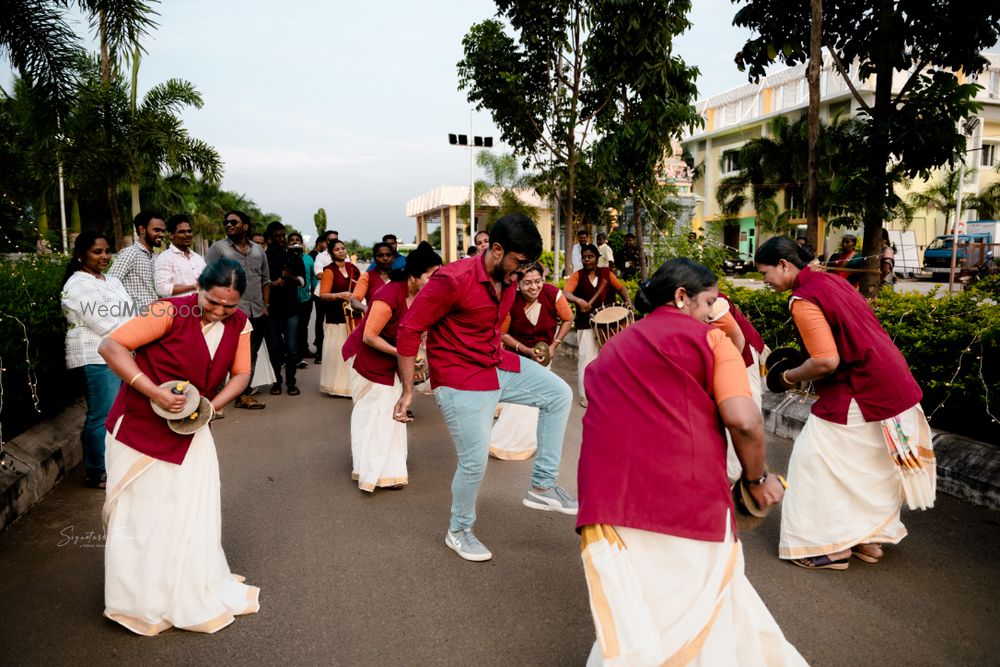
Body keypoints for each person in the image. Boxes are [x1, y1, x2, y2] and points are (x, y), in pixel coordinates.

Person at [576, 258, 804, 666]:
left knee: (640, 606)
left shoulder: (612, 349)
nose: (714, 313)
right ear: (682, 297)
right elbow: (746, 421)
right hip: (688, 499)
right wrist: (756, 479)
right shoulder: (711, 341)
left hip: (609, 502)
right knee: (704, 605)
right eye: (710, 303)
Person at [394, 214, 576, 562]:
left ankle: (542, 485)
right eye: (518, 264)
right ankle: (459, 531)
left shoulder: (508, 280)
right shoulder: (452, 280)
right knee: (475, 462)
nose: (521, 275)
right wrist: (407, 390)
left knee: (559, 394)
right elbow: (409, 329)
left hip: (496, 364)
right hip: (460, 378)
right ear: (495, 250)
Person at [97, 258, 260, 635]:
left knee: (187, 513)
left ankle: (182, 587)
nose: (219, 312)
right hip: (138, 429)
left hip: (190, 432)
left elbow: (242, 373)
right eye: (213, 302)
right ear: (198, 288)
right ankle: (137, 602)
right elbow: (111, 346)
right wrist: (153, 391)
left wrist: (208, 408)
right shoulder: (167, 309)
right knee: (143, 516)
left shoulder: (239, 324)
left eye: (229, 306)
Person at [755, 236, 934, 570]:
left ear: (783, 265)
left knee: (813, 463)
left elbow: (825, 361)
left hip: (860, 387)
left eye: (765, 272)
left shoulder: (802, 297)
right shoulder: (830, 280)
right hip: (891, 379)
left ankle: (827, 548)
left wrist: (788, 377)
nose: (764, 281)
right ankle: (867, 538)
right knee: (869, 464)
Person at [341, 242, 442, 492]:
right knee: (376, 412)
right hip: (368, 358)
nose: (436, 281)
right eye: (432, 276)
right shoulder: (388, 296)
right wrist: (403, 353)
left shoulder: (424, 296)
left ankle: (391, 470)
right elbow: (369, 336)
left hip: (393, 360)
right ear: (414, 275)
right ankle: (370, 470)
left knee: (392, 410)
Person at [60, 231, 133, 490]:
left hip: (121, 353)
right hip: (96, 355)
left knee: (119, 413)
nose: (104, 256)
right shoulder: (77, 284)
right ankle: (97, 471)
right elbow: (103, 324)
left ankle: (113, 465)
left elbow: (131, 312)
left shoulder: (111, 280)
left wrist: (131, 328)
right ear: (81, 255)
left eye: (107, 251)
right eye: (97, 252)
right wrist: (133, 330)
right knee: (102, 414)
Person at [488, 262, 573, 460]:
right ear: (518, 284)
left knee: (537, 402)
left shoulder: (553, 294)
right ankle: (506, 444)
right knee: (519, 404)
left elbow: (567, 319)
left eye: (537, 281)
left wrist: (553, 346)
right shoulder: (510, 300)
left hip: (544, 356)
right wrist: (525, 350)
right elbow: (502, 332)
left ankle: (526, 443)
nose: (533, 287)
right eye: (527, 283)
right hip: (517, 357)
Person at [205, 210, 270, 410]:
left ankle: (243, 395)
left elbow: (265, 280)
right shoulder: (219, 249)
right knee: (221, 354)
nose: (229, 225)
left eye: (234, 222)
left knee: (250, 356)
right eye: (226, 222)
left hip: (256, 312)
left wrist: (265, 306)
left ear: (245, 226)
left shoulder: (258, 251)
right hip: (230, 313)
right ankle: (214, 401)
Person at [709, 292, 770, 481]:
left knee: (743, 409)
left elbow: (738, 338)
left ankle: (737, 475)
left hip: (741, 357)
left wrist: (728, 369)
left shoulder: (713, 302)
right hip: (729, 354)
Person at [564, 243, 632, 407]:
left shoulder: (607, 274)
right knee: (586, 360)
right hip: (586, 324)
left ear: (597, 258)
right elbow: (566, 292)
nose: (587, 260)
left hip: (609, 324)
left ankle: (611, 394)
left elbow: (621, 289)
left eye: (590, 257)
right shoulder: (577, 276)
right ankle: (585, 396)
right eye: (584, 257)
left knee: (611, 361)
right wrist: (578, 300)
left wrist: (628, 301)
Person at [263, 221, 306, 396]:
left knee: (292, 347)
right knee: (274, 348)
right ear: (270, 238)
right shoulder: (264, 257)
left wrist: (291, 277)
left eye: (283, 235)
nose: (282, 239)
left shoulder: (294, 255)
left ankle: (291, 382)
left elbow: (303, 282)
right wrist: (273, 283)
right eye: (278, 236)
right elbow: (260, 280)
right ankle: (276, 382)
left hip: (292, 308)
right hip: (271, 308)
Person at [319, 239, 361, 397]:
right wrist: (339, 295)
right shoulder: (329, 271)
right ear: (331, 253)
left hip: (352, 316)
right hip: (335, 316)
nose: (341, 251)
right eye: (337, 249)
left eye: (343, 248)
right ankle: (335, 386)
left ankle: (352, 386)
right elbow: (323, 295)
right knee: (336, 351)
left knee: (352, 351)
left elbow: (361, 287)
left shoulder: (353, 268)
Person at [108, 210, 164, 308]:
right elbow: (110, 284)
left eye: (163, 231)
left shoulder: (157, 257)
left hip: (155, 315)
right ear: (142, 229)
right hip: (135, 316)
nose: (161, 234)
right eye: (157, 230)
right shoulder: (130, 253)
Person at [154, 214, 206, 298]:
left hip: (201, 307)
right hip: (179, 309)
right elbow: (161, 289)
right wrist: (193, 286)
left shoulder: (198, 258)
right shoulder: (165, 258)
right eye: (182, 232)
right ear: (171, 235)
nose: (187, 234)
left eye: (189, 231)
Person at [312, 230, 339, 363]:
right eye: (330, 239)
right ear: (325, 242)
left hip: (338, 295)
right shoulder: (321, 256)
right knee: (320, 323)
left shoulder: (343, 255)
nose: (333, 241)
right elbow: (318, 273)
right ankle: (319, 353)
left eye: (335, 239)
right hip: (321, 294)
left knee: (336, 323)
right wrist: (334, 277)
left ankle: (335, 352)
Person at [288, 232, 314, 364]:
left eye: (297, 240)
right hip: (289, 300)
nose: (294, 242)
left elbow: (313, 277)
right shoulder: (286, 257)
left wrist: (312, 294)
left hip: (305, 299)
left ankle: (301, 354)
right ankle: (293, 356)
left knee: (303, 327)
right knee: (292, 328)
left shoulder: (308, 259)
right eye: (291, 240)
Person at [351, 241, 394, 313]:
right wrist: (367, 309)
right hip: (374, 321)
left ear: (393, 257)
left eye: (388, 255)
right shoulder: (367, 276)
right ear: (374, 258)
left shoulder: (400, 277)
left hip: (397, 322)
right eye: (380, 255)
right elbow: (354, 300)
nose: (385, 258)